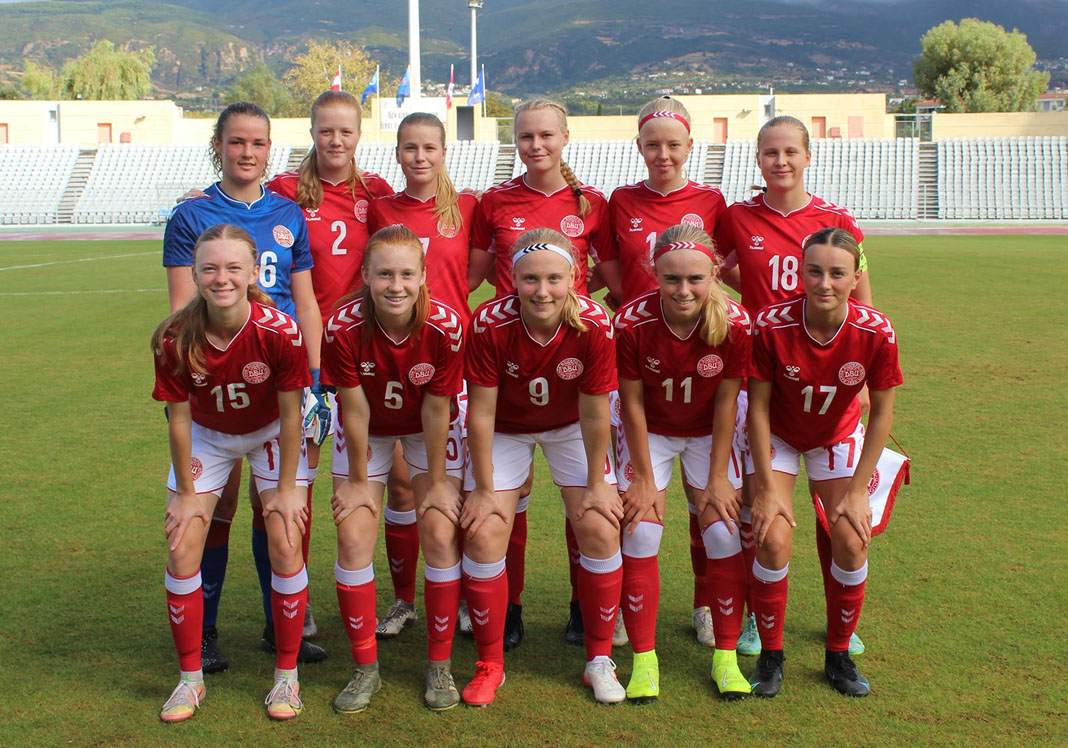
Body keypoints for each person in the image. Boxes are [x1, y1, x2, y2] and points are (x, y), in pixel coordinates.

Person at [162, 102, 325, 671]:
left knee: (277, 505)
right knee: (219, 503)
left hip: (281, 376)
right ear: (219, 146)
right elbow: (182, 307)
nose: (247, 152)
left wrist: (316, 383)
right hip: (217, 377)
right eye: (236, 142)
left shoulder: (288, 213)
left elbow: (305, 303)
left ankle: (279, 626)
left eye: (258, 142)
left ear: (270, 148)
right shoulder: (192, 215)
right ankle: (205, 631)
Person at [713, 115, 873, 658]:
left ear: (808, 156)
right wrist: (756, 302)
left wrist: (863, 375)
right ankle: (756, 619)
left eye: (790, 152)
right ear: (757, 159)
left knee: (837, 517)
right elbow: (713, 269)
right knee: (759, 511)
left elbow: (863, 300)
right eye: (770, 152)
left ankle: (839, 622)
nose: (780, 161)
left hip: (829, 378)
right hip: (764, 375)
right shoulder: (738, 216)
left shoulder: (835, 219)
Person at [468, 98, 616, 645]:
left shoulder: (592, 203)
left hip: (569, 363)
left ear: (565, 138)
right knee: (508, 501)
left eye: (546, 135)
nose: (536, 145)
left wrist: (578, 311)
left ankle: (584, 607)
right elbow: (471, 278)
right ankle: (507, 607)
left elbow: (617, 279)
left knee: (589, 509)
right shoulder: (495, 201)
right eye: (526, 136)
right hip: (509, 356)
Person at [153, 224, 312, 722]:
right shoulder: (174, 336)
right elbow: (180, 419)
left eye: (233, 268)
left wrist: (286, 490)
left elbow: (291, 416)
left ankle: (287, 676)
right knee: (182, 543)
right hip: (209, 433)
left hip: (270, 431)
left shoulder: (280, 331)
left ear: (252, 273)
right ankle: (190, 680)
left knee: (285, 535)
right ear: (195, 274)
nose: (221, 278)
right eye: (210, 269)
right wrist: (185, 493)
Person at [462, 228, 621, 706]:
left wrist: (597, 485)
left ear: (574, 277)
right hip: (506, 427)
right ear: (512, 278)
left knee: (600, 525)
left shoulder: (594, 322)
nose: (543, 291)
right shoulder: (489, 322)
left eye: (554, 278)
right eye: (531, 279)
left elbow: (595, 411)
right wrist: (484, 489)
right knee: (483, 531)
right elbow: (481, 412)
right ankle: (490, 664)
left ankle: (599, 659)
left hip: (570, 424)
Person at [745, 227, 901, 697]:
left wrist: (857, 492)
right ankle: (771, 656)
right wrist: (767, 488)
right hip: (779, 436)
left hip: (836, 435)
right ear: (801, 273)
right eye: (814, 271)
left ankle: (838, 656)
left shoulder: (876, 330)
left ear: (855, 277)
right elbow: (757, 408)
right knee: (772, 537)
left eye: (837, 273)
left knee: (852, 539)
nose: (825, 283)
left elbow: (882, 414)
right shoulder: (771, 325)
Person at [320, 224, 467, 713]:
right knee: (353, 536)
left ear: (424, 276)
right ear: (365, 275)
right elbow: (354, 407)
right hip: (369, 428)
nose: (396, 285)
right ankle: (365, 669)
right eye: (384, 274)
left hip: (427, 425)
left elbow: (437, 408)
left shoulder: (446, 326)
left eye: (407, 274)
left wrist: (438, 484)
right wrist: (358, 482)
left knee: (441, 532)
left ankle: (439, 665)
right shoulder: (341, 326)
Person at [603, 96, 729, 647]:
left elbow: (719, 273)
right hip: (639, 354)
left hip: (700, 354)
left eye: (673, 144)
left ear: (689, 146)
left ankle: (706, 604)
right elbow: (610, 272)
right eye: (652, 144)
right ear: (639, 146)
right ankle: (616, 608)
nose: (663, 154)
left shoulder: (711, 201)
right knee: (633, 499)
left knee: (709, 504)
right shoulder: (621, 201)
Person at [267, 90, 394, 641]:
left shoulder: (376, 193)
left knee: (390, 477)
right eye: (326, 131)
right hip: (303, 355)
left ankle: (403, 599)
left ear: (359, 135)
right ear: (312, 133)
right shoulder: (284, 191)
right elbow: (237, 205)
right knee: (299, 478)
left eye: (346, 131)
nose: (335, 140)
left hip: (366, 353)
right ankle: (297, 598)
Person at [613, 225, 751, 703]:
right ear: (654, 273)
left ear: (714, 274)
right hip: (650, 430)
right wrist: (644, 479)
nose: (684, 290)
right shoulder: (631, 322)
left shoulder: (736, 322)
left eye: (695, 278)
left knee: (724, 530)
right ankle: (644, 661)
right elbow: (631, 402)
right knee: (641, 530)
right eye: (672, 279)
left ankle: (726, 658)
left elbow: (727, 402)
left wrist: (717, 478)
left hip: (708, 433)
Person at [366, 112, 480, 639]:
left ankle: (459, 594)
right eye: (410, 147)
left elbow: (471, 276)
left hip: (451, 357)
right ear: (397, 153)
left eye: (429, 147)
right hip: (392, 358)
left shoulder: (469, 207)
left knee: (454, 485)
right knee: (400, 486)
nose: (420, 156)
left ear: (444, 152)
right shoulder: (381, 208)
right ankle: (404, 600)